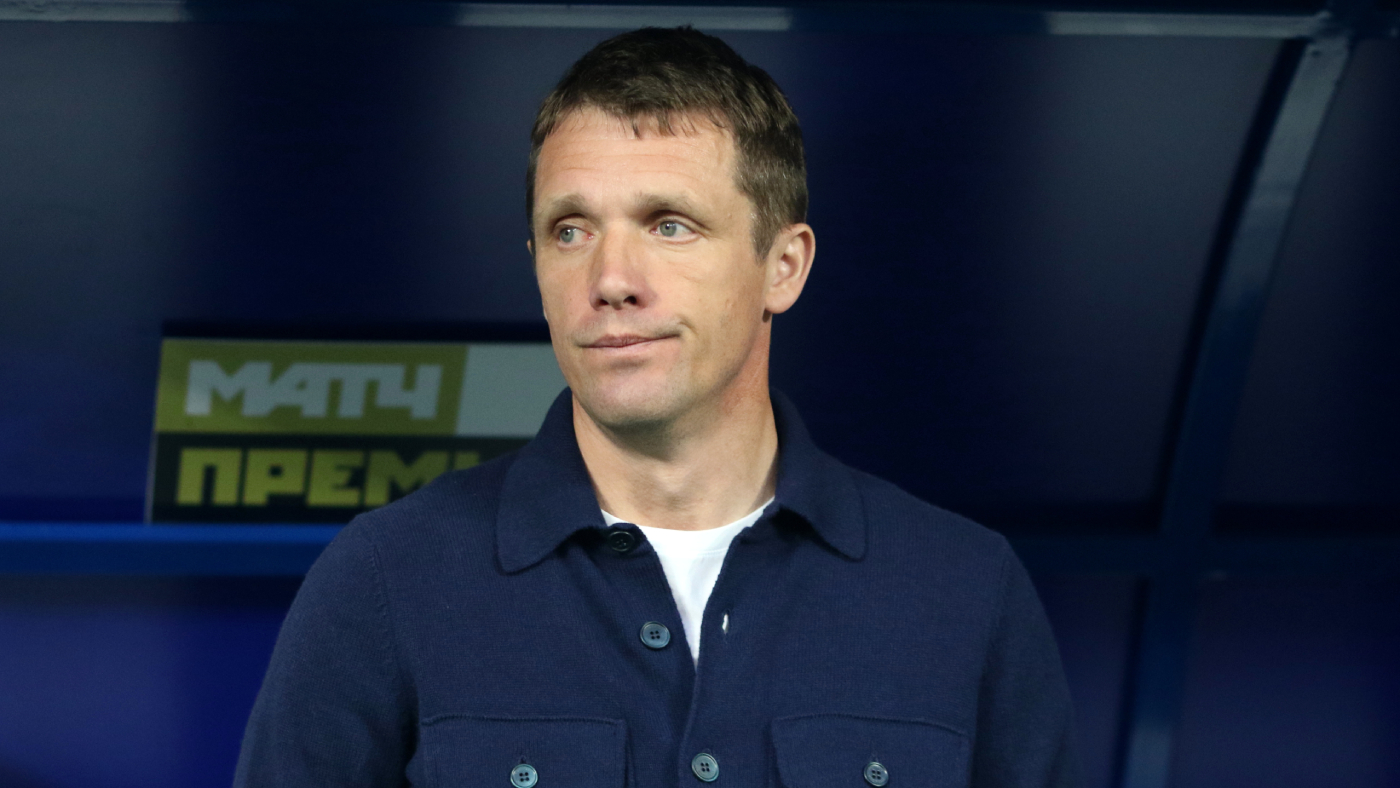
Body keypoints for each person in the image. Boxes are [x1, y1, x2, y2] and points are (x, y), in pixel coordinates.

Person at [234, 26, 1080, 788]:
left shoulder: (965, 592)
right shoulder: (387, 580)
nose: (610, 280)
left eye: (669, 224)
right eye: (571, 230)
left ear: (783, 266)